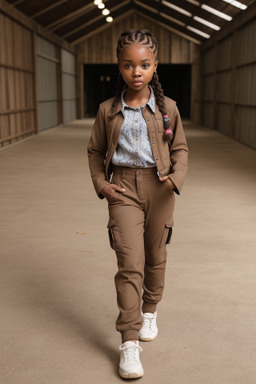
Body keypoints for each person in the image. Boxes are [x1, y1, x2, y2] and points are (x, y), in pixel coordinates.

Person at [87, 29, 188, 379]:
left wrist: (175, 179)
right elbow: (95, 151)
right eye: (128, 65)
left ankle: (150, 310)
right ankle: (129, 342)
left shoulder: (166, 108)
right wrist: (102, 183)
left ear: (154, 66)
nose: (136, 72)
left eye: (144, 65)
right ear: (119, 66)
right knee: (130, 263)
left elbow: (181, 149)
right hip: (123, 190)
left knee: (156, 257)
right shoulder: (106, 111)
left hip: (159, 188)